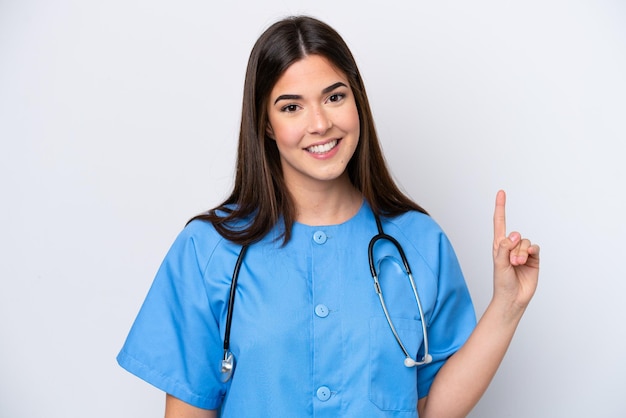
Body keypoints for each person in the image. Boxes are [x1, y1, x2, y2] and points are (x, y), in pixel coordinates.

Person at [117, 15, 540, 418]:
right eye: (291, 107)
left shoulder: (419, 242)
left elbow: (431, 408)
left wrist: (507, 305)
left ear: (357, 101)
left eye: (334, 97)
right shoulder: (208, 249)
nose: (319, 124)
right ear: (265, 124)